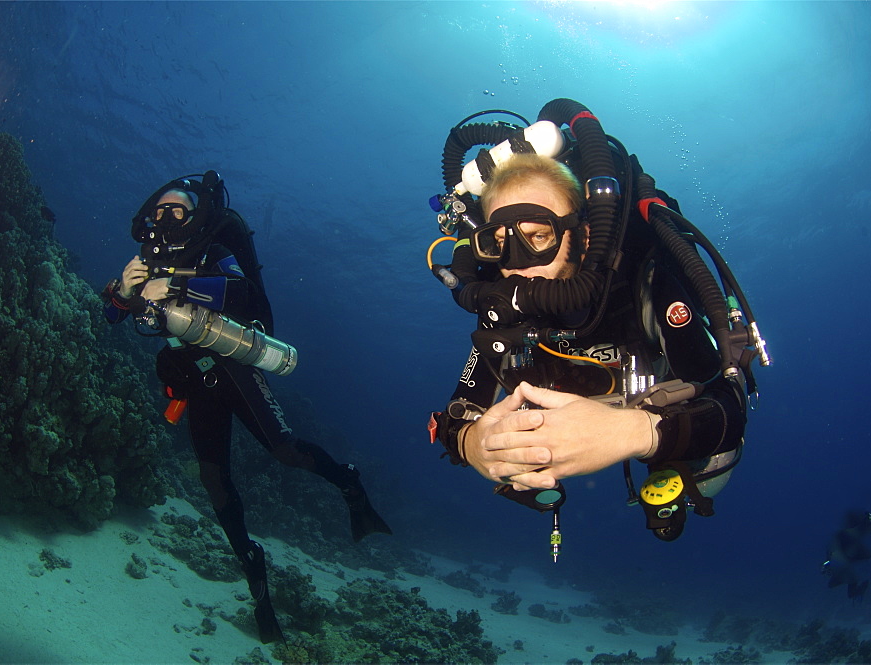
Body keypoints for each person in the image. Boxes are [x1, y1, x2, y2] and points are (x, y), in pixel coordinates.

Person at [427, 99, 770, 548]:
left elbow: (730, 409)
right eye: (499, 242)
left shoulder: (642, 285)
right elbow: (456, 416)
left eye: (538, 237)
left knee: (709, 472)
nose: (517, 267)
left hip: (656, 405)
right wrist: (474, 443)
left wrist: (636, 432)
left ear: (584, 235)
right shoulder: (503, 310)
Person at [102, 171, 391, 642]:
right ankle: (254, 573)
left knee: (285, 451)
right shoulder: (145, 263)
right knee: (214, 480)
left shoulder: (211, 252)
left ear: (195, 216)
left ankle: (349, 483)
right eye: (160, 211)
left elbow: (240, 293)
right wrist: (125, 292)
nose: (168, 217)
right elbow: (113, 315)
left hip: (230, 362)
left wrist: (174, 284)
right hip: (192, 378)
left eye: (179, 209)